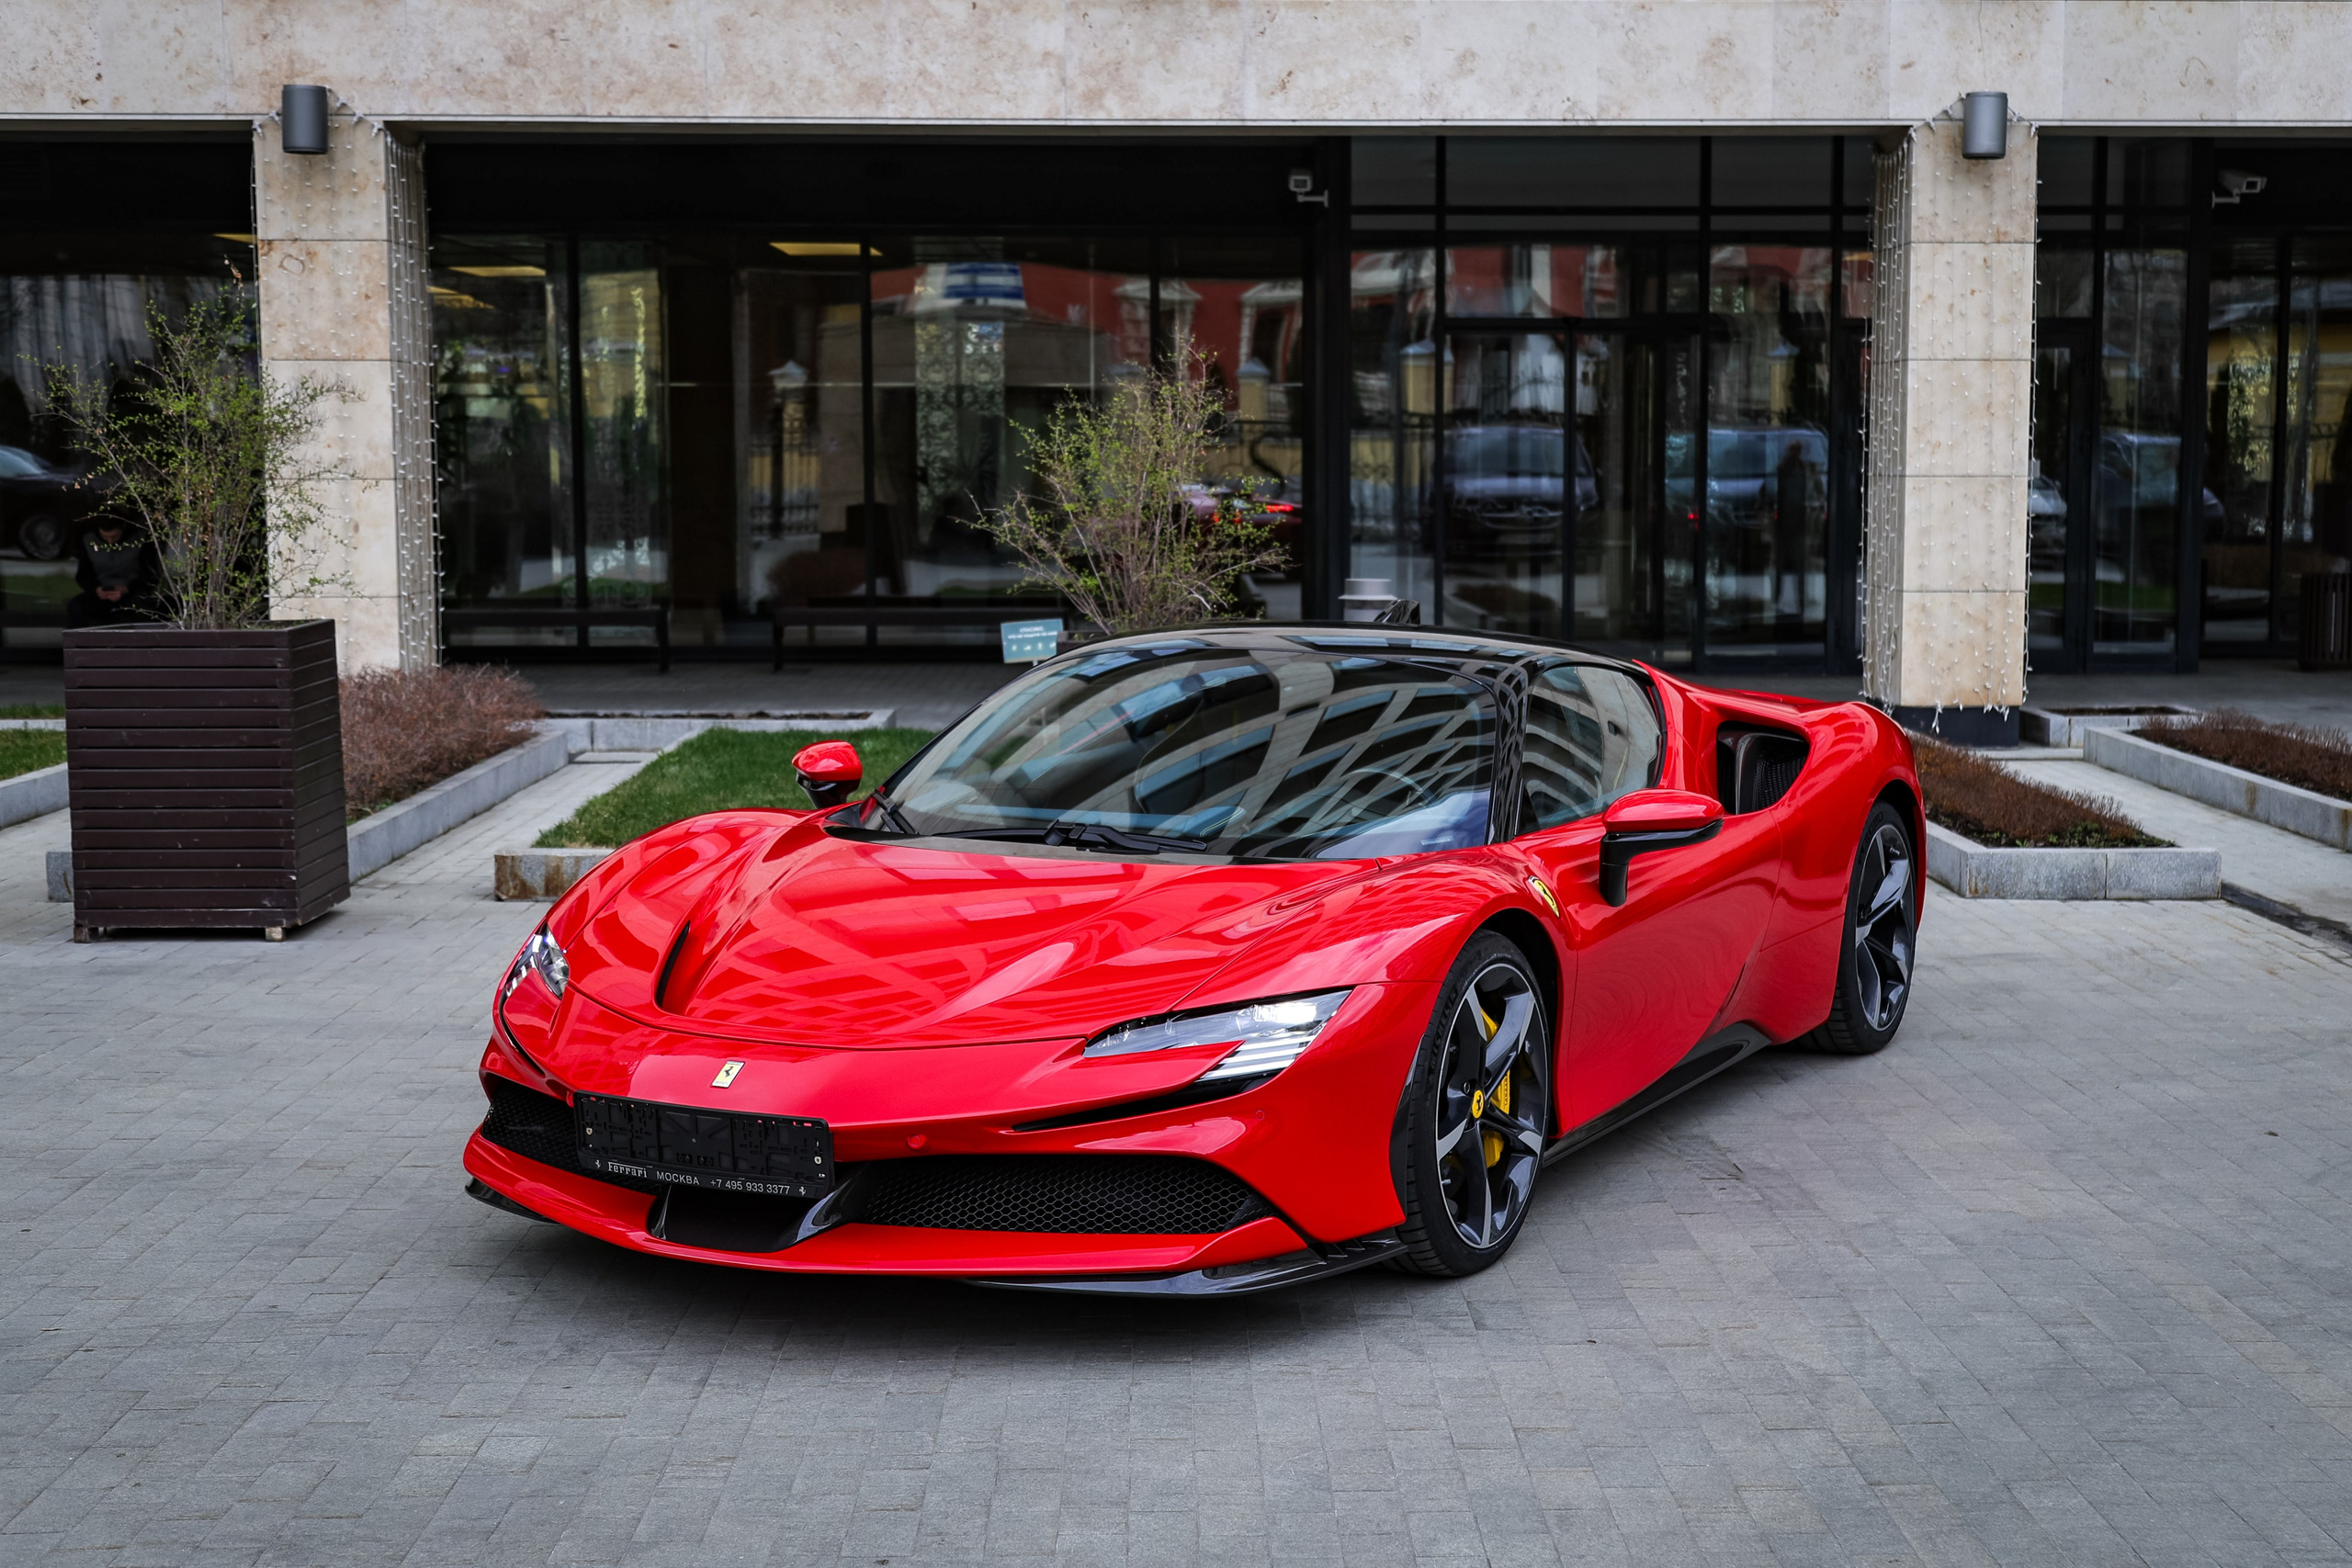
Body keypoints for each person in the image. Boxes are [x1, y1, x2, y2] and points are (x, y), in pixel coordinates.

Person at [66, 518, 159, 628]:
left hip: (132, 591)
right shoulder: (89, 541)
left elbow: (150, 575)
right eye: (105, 537)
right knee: (77, 606)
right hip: (101, 592)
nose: (110, 541)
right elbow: (83, 575)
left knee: (143, 610)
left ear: (123, 528)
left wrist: (127, 588)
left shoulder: (141, 540)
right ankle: (79, 643)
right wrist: (96, 589)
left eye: (114, 537)